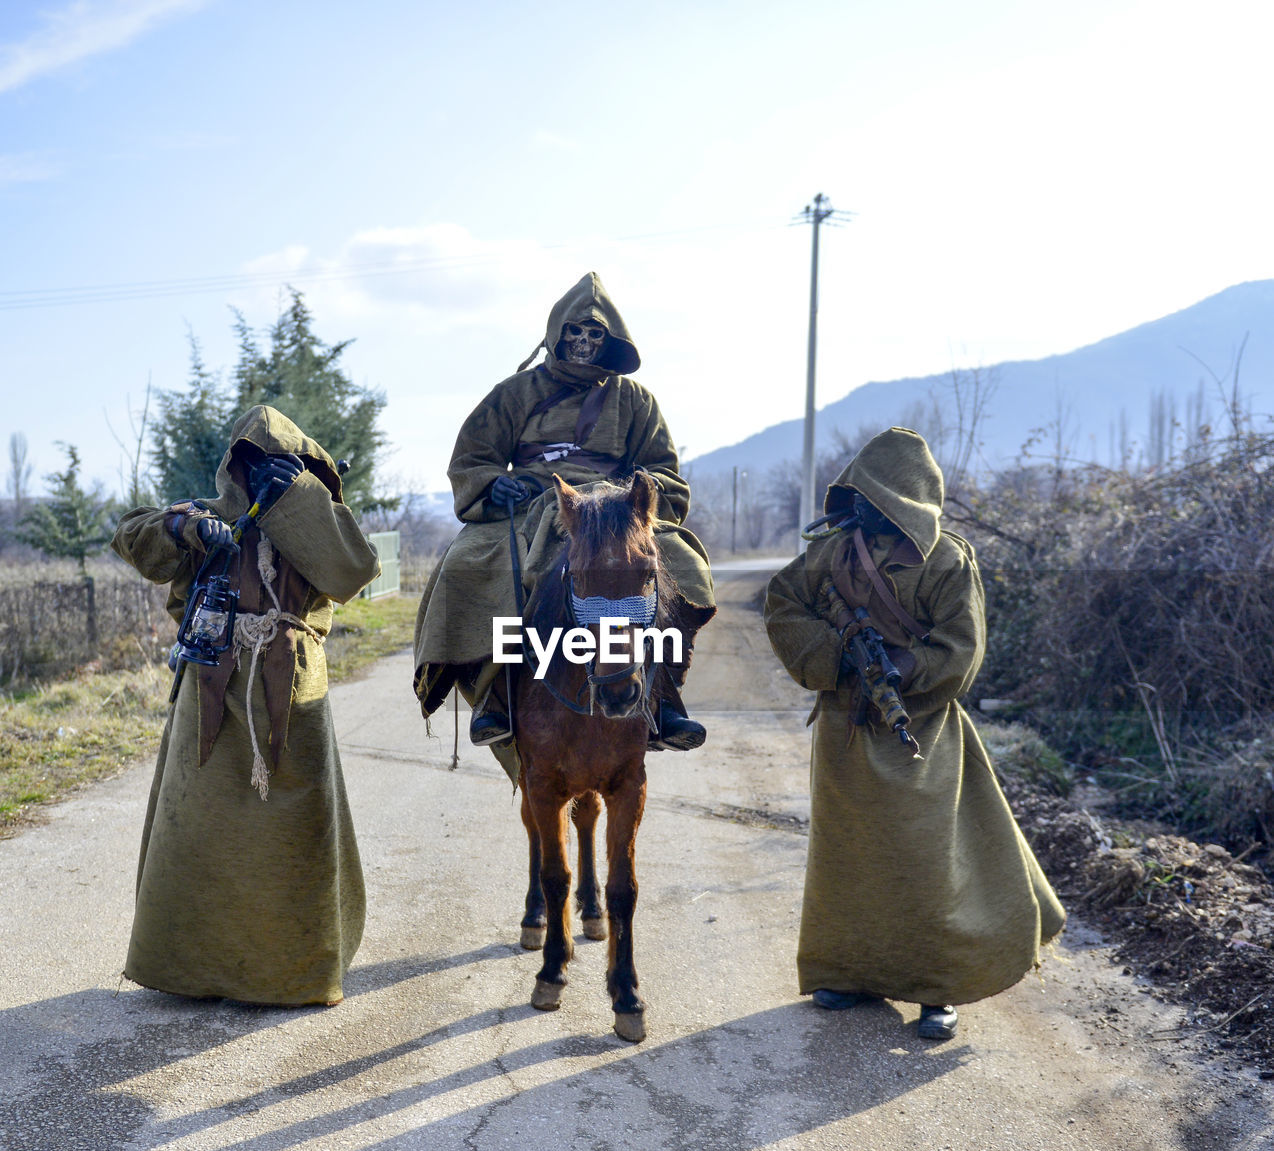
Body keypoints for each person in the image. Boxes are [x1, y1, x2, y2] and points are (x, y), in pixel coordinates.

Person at [763, 427, 1065, 1040]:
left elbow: (963, 647)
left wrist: (907, 668)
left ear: (905, 499)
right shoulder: (831, 554)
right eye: (861, 493)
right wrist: (834, 653)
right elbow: (783, 602)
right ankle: (847, 972)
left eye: (878, 495)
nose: (867, 505)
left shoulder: (948, 560)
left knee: (927, 862)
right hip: (846, 734)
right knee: (848, 859)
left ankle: (937, 988)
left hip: (921, 733)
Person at [111, 404, 380, 1006]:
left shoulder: (319, 522)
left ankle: (294, 974)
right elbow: (131, 535)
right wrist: (183, 529)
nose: (260, 472)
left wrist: (301, 498)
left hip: (292, 689)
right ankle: (188, 967)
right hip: (210, 687)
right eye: (251, 461)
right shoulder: (207, 519)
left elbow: (353, 571)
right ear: (234, 467)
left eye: (276, 463)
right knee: (199, 831)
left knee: (295, 836)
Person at [413, 272, 715, 759]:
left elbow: (664, 469)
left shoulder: (635, 400)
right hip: (536, 500)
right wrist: (493, 483)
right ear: (556, 334)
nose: (583, 342)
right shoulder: (513, 393)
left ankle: (665, 699)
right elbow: (472, 458)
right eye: (574, 332)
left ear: (611, 341)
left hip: (616, 509)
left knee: (686, 569)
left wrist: (640, 494)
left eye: (595, 335)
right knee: (468, 564)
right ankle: (496, 695)